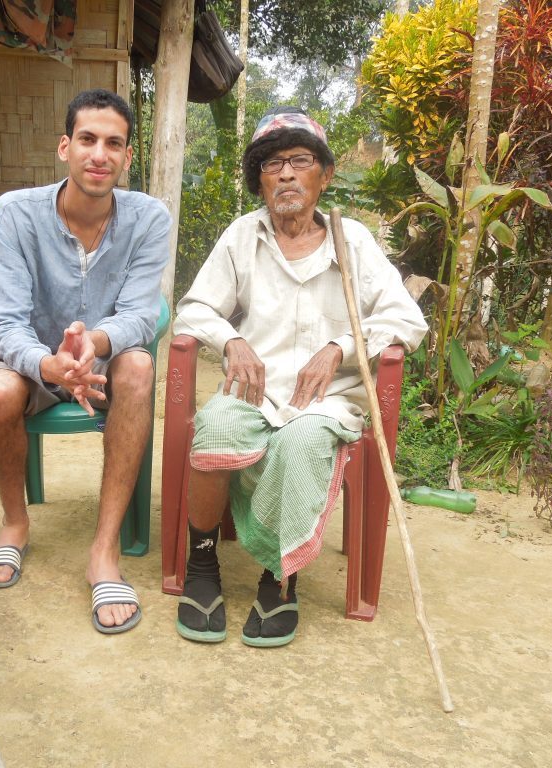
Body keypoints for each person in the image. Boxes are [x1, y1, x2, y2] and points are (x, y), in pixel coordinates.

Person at [172, 107, 427, 647]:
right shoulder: (243, 236)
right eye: (271, 163)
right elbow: (194, 310)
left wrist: (339, 348)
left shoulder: (352, 241)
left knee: (304, 441)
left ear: (324, 175)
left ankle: (279, 578)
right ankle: (201, 565)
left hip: (325, 403)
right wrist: (232, 340)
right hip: (254, 396)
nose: (285, 173)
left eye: (299, 160)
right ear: (259, 180)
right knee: (215, 426)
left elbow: (407, 319)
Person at [0, 88, 170, 635]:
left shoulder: (150, 219)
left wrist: (96, 344)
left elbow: (141, 312)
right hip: (33, 361)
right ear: (65, 146)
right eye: (87, 139)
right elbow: (3, 322)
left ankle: (103, 551)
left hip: (102, 360)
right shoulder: (14, 214)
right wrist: (47, 363)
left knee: (139, 367)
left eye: (114, 143)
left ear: (128, 157)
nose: (99, 155)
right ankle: (15, 525)